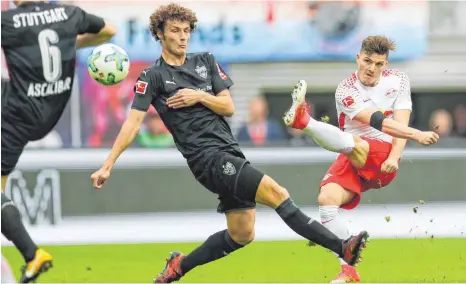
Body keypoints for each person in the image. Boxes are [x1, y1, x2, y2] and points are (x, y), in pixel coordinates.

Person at [90, 3, 369, 284]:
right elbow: (132, 124)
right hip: (206, 159)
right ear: (160, 34)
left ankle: (179, 265)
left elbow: (228, 106)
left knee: (242, 233)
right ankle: (341, 247)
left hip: (230, 151)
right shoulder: (152, 78)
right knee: (277, 192)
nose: (183, 36)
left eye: (186, 31)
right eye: (175, 31)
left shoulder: (206, 61)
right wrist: (107, 164)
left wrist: (198, 96)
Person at [283, 36, 439, 283]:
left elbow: (398, 123)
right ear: (358, 58)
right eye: (367, 61)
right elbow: (376, 119)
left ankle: (305, 122)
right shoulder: (346, 89)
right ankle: (349, 270)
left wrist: (396, 157)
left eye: (379, 64)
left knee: (359, 143)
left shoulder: (398, 80)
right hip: (353, 157)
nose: (372, 69)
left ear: (385, 64)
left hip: (382, 156)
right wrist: (418, 134)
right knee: (327, 199)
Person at [1, 1, 116, 282]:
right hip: (50, 111)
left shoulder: (10, 22)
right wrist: (68, 46)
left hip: (15, 114)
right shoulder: (68, 14)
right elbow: (108, 31)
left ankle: (32, 254)